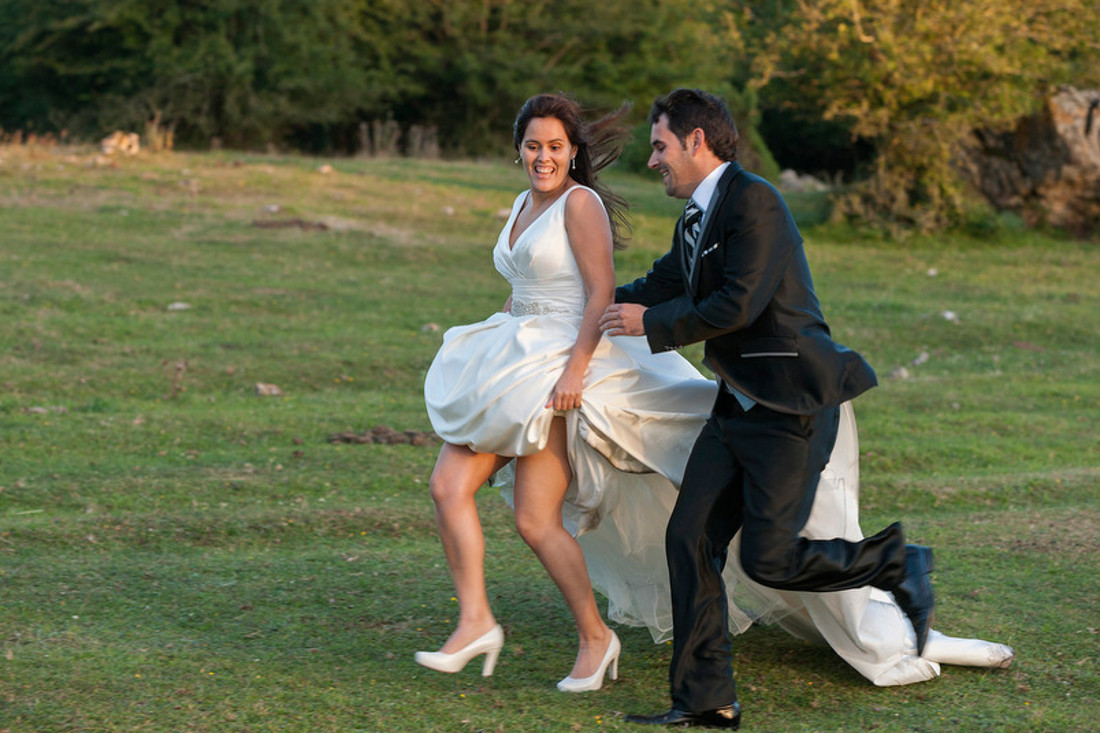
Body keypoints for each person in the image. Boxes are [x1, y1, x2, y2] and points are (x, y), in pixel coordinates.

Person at [598, 88, 936, 729]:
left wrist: (653, 324)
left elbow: (738, 305)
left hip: (790, 408)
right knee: (689, 538)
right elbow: (663, 284)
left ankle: (897, 559)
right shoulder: (695, 219)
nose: (653, 161)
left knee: (769, 560)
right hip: (735, 408)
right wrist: (584, 308)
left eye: (660, 146)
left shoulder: (756, 201)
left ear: (697, 141)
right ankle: (706, 700)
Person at [417, 92, 720, 692]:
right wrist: (497, 332)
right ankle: (485, 621)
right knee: (474, 496)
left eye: (555, 146)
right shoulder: (521, 203)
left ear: (573, 152)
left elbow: (599, 292)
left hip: (557, 363)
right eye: (533, 146)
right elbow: (526, 281)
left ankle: (590, 637)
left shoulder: (580, 205)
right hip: (516, 355)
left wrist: (576, 371)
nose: (543, 157)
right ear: (518, 150)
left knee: (522, 514)